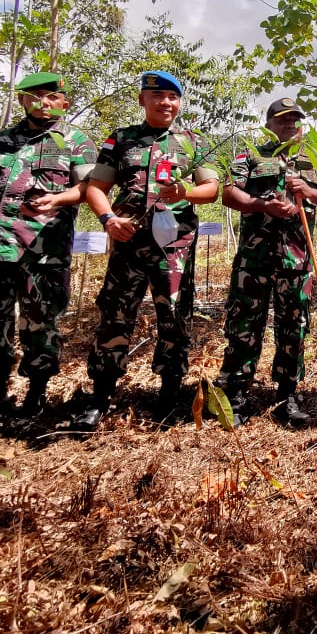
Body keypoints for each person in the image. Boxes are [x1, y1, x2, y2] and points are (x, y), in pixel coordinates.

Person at [71, 71, 219, 431]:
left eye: (172, 97)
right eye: (157, 96)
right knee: (116, 313)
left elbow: (211, 188)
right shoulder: (121, 139)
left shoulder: (192, 141)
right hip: (128, 240)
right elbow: (96, 186)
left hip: (175, 245)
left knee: (175, 316)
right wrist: (107, 219)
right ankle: (100, 396)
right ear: (143, 100)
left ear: (179, 103)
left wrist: (184, 193)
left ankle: (168, 395)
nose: (165, 103)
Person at [0, 72, 97, 421]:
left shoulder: (75, 141)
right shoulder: (3, 140)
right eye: (34, 96)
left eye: (51, 97)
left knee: (41, 320)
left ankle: (37, 390)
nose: (43, 103)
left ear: (64, 103)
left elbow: (90, 188)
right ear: (21, 101)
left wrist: (59, 198)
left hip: (44, 251)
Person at [220, 97, 317, 425]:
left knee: (293, 329)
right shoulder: (250, 155)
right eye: (283, 119)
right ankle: (236, 395)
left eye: (295, 120)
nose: (290, 125)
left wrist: (309, 191)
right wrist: (263, 205)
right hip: (253, 260)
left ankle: (287, 395)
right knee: (244, 325)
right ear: (269, 122)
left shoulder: (312, 161)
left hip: (295, 262)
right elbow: (230, 194)